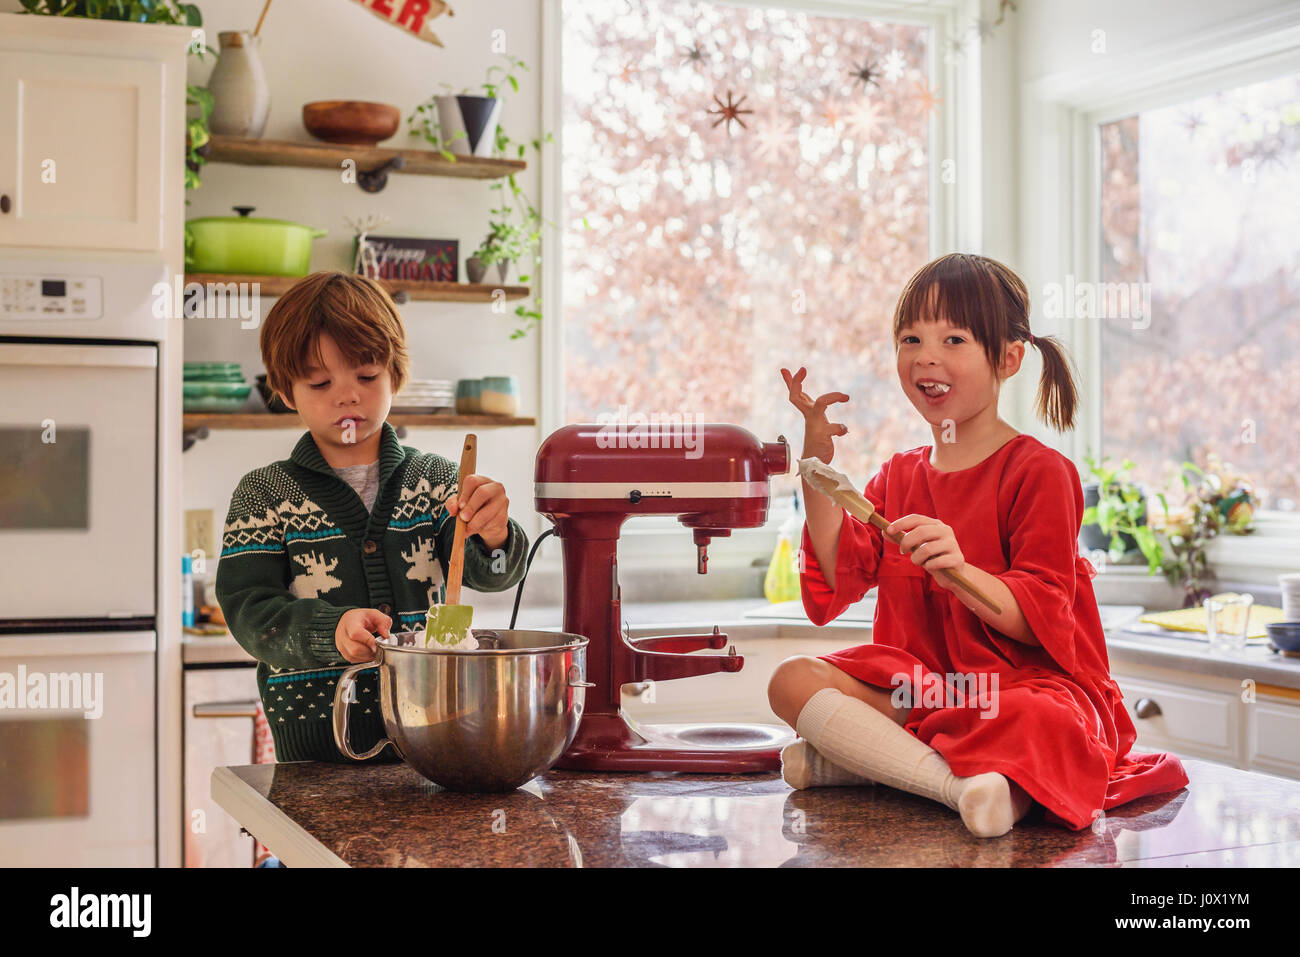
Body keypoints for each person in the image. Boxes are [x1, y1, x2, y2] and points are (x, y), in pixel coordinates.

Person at [769, 253, 1189, 838]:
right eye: (910, 337)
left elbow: (1041, 615)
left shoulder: (1040, 472)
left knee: (1039, 719)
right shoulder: (897, 477)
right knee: (791, 680)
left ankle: (878, 766)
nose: (926, 355)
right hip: (927, 691)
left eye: (954, 338)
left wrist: (960, 572)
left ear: (1009, 358)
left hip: (1013, 691)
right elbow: (837, 579)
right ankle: (961, 785)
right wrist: (816, 470)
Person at [215, 272, 528, 763]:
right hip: (316, 752)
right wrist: (331, 631)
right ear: (287, 390)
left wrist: (494, 534)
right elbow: (251, 614)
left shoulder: (436, 482)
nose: (347, 396)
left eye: (366, 376)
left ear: (395, 376)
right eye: (320, 382)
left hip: (436, 740)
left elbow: (487, 575)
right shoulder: (265, 495)